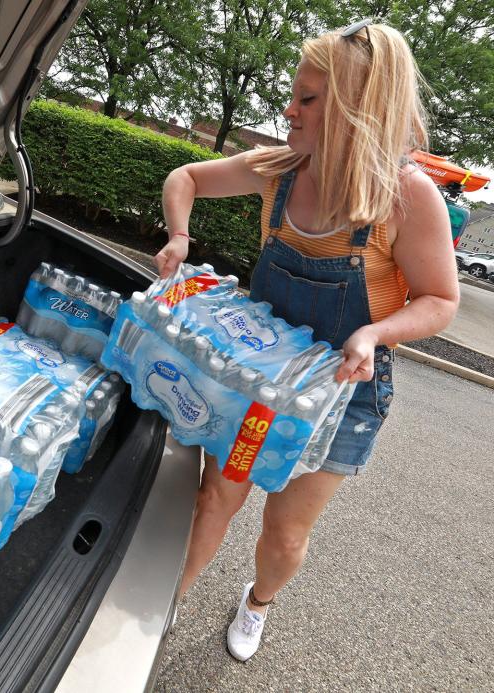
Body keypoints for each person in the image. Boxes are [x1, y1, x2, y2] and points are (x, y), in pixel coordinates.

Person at [154, 20, 459, 661]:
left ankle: (258, 602)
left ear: (356, 109)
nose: (288, 111)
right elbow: (183, 177)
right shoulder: (279, 169)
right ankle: (165, 607)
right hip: (256, 381)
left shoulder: (407, 197)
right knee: (216, 496)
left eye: (308, 99)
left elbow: (441, 302)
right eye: (294, 95)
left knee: (284, 533)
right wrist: (179, 237)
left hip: (342, 397)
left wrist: (376, 332)